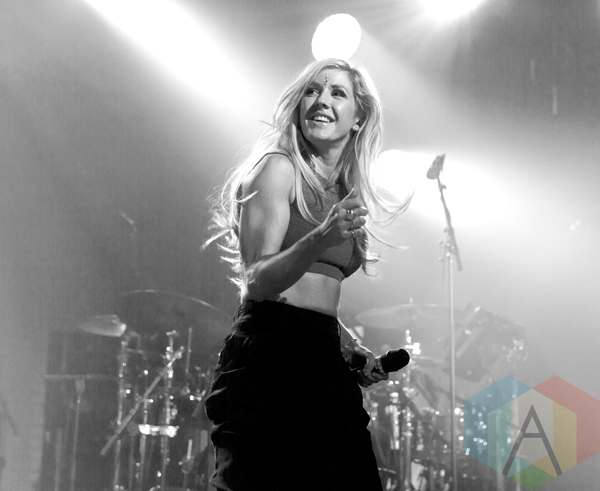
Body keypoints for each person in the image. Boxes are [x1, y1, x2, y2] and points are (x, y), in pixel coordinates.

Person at [203, 58, 411, 491]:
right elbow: (258, 281)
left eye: (338, 93)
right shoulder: (279, 169)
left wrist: (347, 346)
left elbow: (313, 294)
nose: (321, 101)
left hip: (321, 355)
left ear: (359, 117)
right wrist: (321, 236)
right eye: (312, 91)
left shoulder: (344, 191)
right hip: (268, 356)